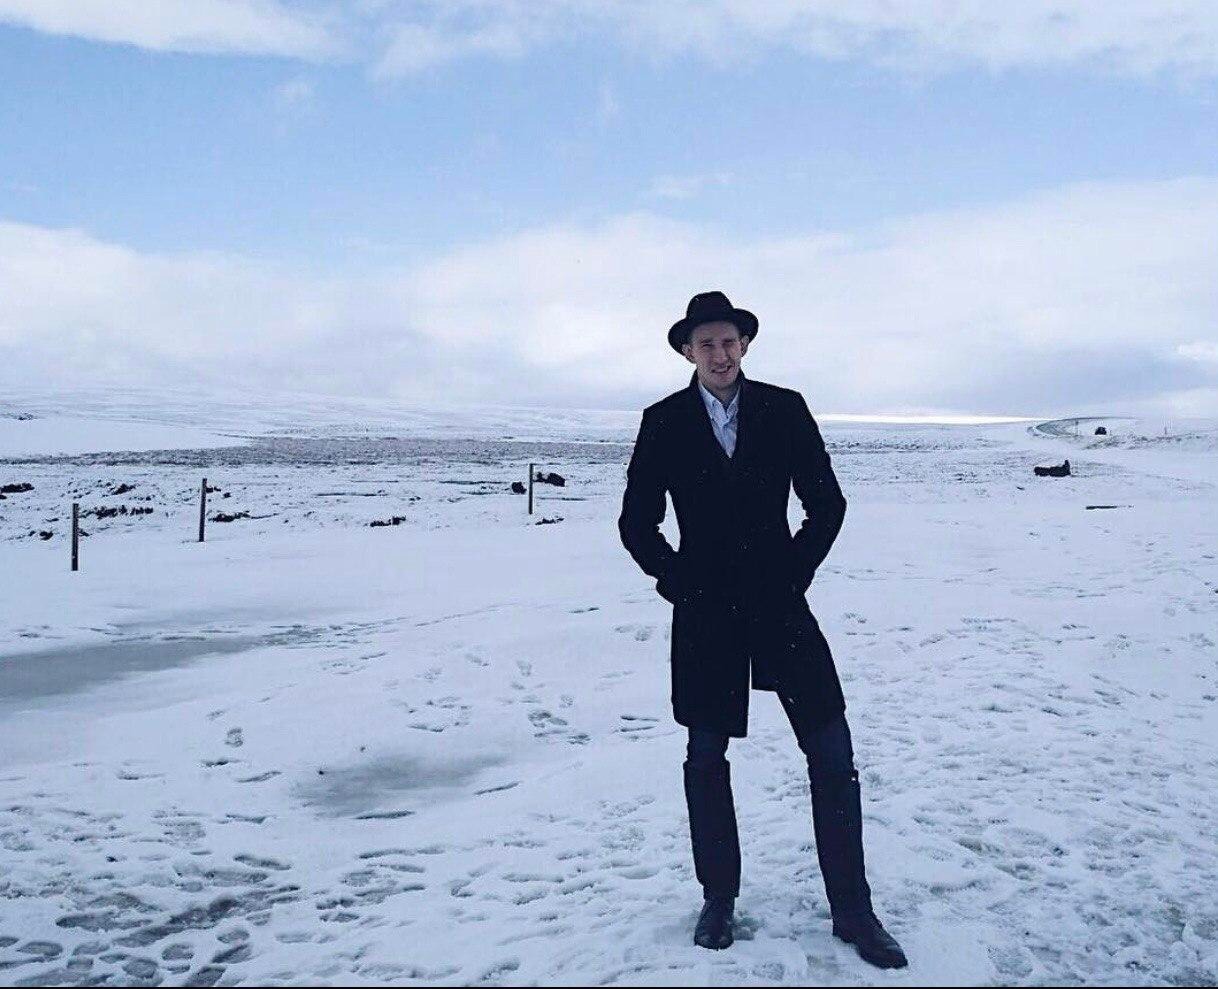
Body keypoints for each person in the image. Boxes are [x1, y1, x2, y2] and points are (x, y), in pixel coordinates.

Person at [617, 290, 907, 969]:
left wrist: (793, 571)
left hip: (780, 605)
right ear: (687, 351)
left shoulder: (784, 408)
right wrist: (677, 580)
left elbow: (827, 503)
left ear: (744, 345)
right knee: (705, 757)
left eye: (729, 341)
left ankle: (853, 910)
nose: (719, 354)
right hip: (705, 614)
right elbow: (636, 522)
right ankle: (718, 898)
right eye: (706, 344)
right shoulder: (663, 422)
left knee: (832, 750)